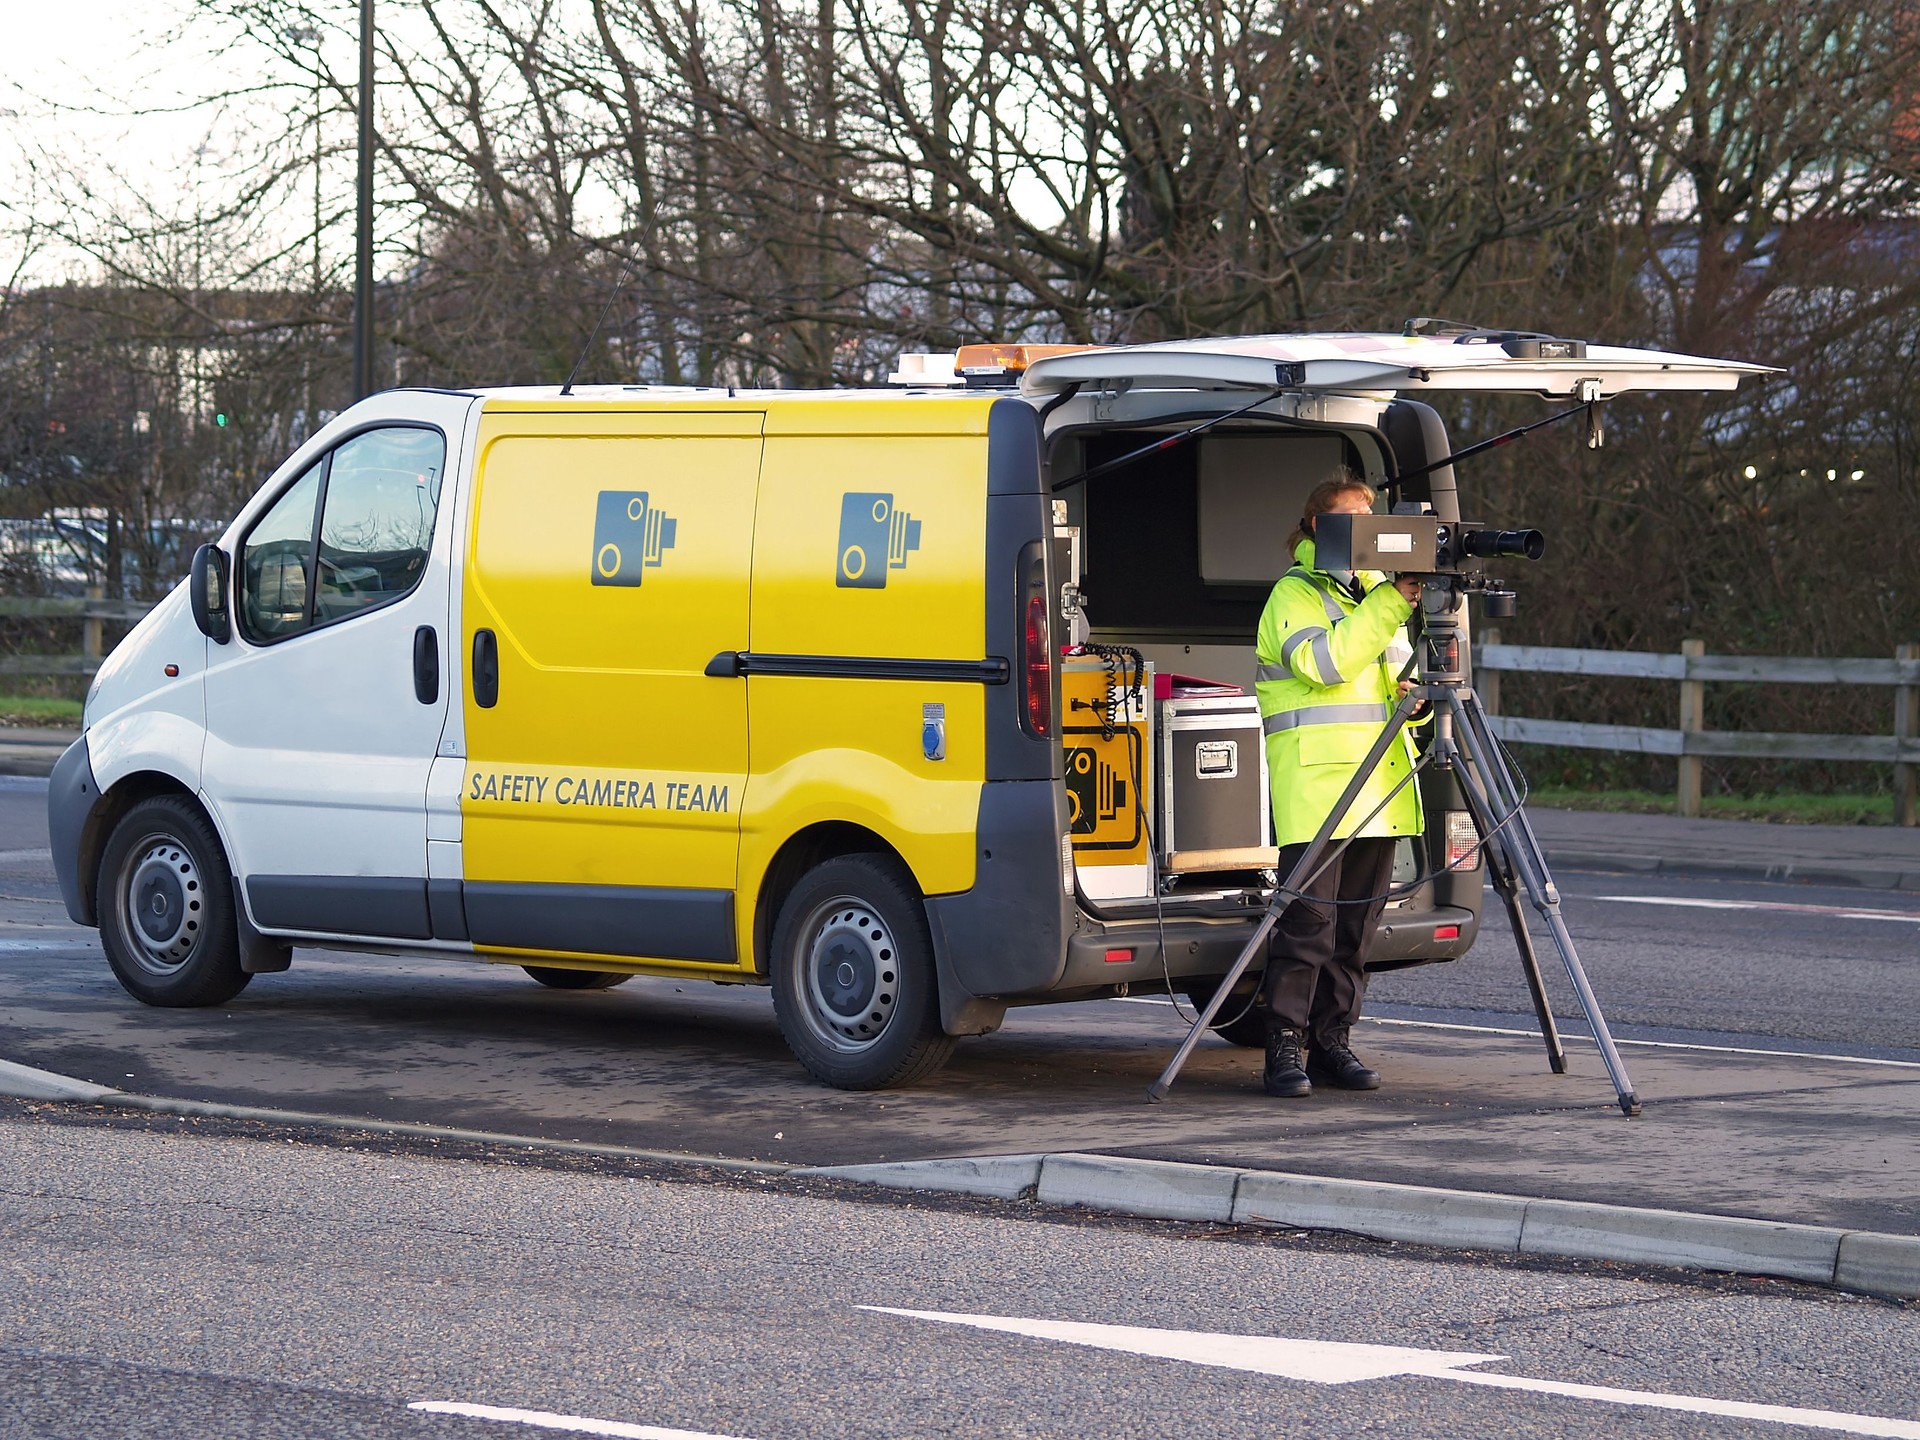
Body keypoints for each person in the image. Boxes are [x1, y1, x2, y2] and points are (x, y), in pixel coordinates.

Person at [1251, 472, 1424, 1097]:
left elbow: (1399, 673)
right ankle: (1284, 1049)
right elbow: (1325, 666)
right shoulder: (1292, 596)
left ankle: (1332, 1041)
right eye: (1356, 517)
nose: (1370, 530)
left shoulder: (1377, 592)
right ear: (1322, 528)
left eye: (1372, 516)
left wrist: (1417, 699)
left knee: (1354, 934)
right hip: (1320, 788)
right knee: (1308, 930)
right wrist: (1389, 605)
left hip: (1379, 784)